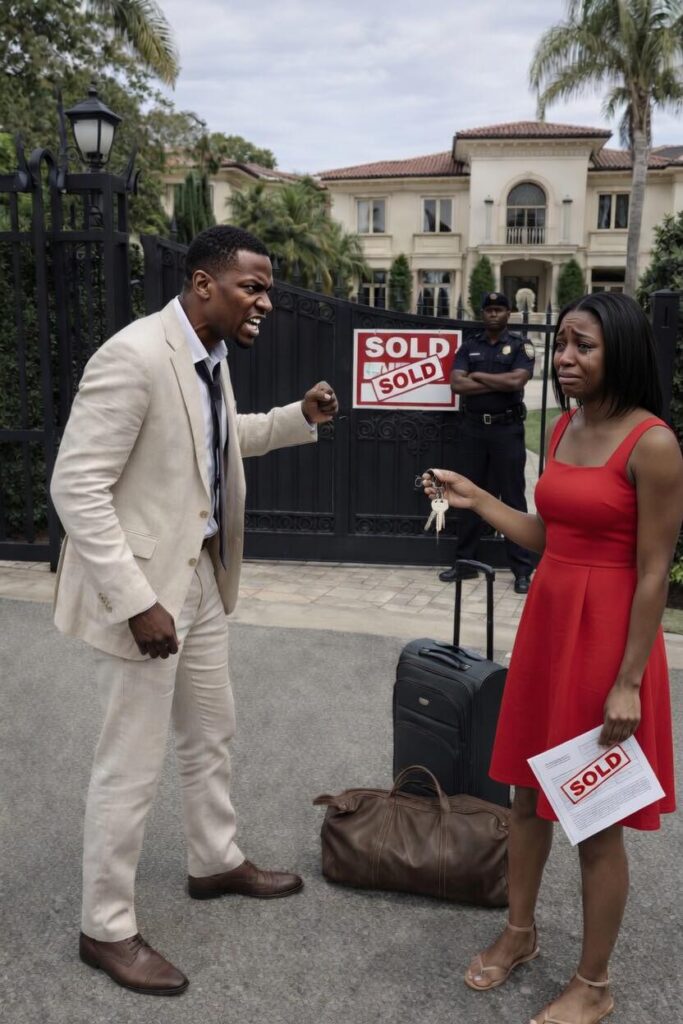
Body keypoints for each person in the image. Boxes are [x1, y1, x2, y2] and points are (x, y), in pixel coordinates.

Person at [49, 225, 339, 996]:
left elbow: (215, 440)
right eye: (253, 287)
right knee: (130, 763)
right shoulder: (134, 356)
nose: (265, 302)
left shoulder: (207, 357)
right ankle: (105, 926)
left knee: (211, 731)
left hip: (199, 575)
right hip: (146, 592)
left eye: (268, 289)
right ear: (205, 284)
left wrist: (297, 417)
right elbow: (75, 486)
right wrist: (136, 602)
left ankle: (213, 860)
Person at [423, 292, 682, 1024]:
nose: (564, 358)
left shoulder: (653, 443)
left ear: (620, 352)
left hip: (607, 644)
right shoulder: (567, 426)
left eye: (582, 346)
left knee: (593, 817)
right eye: (562, 343)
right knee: (526, 798)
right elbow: (548, 535)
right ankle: (519, 932)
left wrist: (627, 682)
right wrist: (478, 498)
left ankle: (594, 984)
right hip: (548, 629)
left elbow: (654, 572)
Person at [438, 291, 535, 593]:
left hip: (507, 429)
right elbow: (457, 384)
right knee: (467, 494)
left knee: (513, 497)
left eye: (499, 309)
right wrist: (498, 382)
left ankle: (522, 570)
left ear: (508, 313)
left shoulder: (520, 345)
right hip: (473, 430)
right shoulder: (470, 346)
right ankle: (465, 563)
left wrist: (477, 376)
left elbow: (516, 381)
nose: (494, 314)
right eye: (489, 309)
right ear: (482, 313)